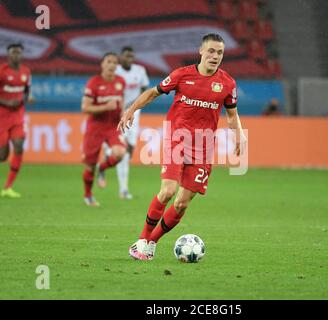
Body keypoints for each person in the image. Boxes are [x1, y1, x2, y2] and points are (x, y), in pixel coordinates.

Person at [118, 33, 247, 261]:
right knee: (167, 191)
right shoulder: (182, 75)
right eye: (211, 51)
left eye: (219, 53)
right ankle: (141, 239)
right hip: (177, 140)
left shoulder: (227, 83)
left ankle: (152, 244)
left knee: (181, 203)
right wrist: (131, 109)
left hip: (204, 148)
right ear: (201, 51)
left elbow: (232, 114)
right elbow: (153, 93)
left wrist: (239, 135)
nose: (215, 56)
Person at [100, 46, 150, 200]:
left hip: (134, 112)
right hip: (119, 113)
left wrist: (135, 104)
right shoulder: (116, 71)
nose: (129, 59)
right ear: (121, 57)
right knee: (123, 150)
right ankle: (123, 190)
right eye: (127, 56)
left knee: (130, 150)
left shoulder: (140, 71)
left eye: (131, 56)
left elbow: (144, 87)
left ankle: (106, 157)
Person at [81, 52, 127, 206]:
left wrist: (123, 114)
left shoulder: (120, 81)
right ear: (102, 64)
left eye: (115, 62)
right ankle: (88, 195)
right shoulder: (94, 82)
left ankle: (103, 167)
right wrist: (106, 106)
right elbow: (85, 107)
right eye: (109, 62)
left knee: (120, 153)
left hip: (113, 126)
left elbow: (122, 101)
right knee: (89, 165)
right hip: (95, 127)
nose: (112, 65)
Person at [0, 43, 32, 198]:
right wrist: (6, 102)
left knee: (19, 146)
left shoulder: (26, 71)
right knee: (3, 156)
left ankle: (8, 187)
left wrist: (28, 97)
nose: (16, 55)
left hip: (18, 116)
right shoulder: (2, 71)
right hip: (1, 116)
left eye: (18, 53)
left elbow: (26, 90)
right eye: (13, 52)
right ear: (8, 55)